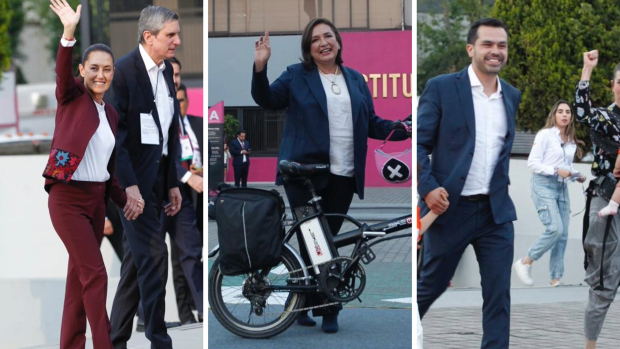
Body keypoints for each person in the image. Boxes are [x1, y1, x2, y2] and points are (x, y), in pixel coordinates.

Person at [251, 18, 409, 333]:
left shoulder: (355, 79)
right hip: (304, 175)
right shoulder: (297, 76)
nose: (323, 42)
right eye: (315, 39)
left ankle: (302, 301)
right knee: (316, 241)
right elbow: (266, 100)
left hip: (344, 176)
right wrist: (260, 66)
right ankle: (327, 307)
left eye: (328, 36)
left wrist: (401, 128)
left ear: (338, 41)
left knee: (328, 241)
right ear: (308, 48)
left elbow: (372, 121)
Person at [417, 18, 521, 348]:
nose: (495, 51)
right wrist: (428, 187)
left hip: (496, 214)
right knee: (429, 287)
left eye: (501, 45)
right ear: (470, 48)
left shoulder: (512, 96)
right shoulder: (443, 87)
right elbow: (418, 144)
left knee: (498, 297)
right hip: (450, 210)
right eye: (488, 44)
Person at [43, 1, 135, 348]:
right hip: (67, 199)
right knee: (96, 274)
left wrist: (125, 200)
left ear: (113, 73)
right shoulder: (72, 97)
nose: (101, 75)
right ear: (83, 70)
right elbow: (62, 75)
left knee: (78, 281)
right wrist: (68, 33)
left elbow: (106, 172)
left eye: (108, 69)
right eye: (94, 68)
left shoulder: (110, 114)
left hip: (97, 201)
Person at [106, 5, 182, 348]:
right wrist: (130, 186)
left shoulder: (166, 72)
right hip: (131, 185)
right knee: (154, 257)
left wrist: (172, 182)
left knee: (136, 268)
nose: (177, 41)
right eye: (171, 35)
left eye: (177, 34)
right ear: (148, 36)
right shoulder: (121, 73)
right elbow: (115, 137)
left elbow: (169, 132)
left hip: (156, 182)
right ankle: (159, 339)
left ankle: (114, 340)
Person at [574, 49, 620, 349]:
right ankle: (589, 346)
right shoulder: (605, 117)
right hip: (606, 202)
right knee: (603, 281)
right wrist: (586, 71)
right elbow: (580, 114)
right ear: (614, 84)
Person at [513, 100, 586, 287]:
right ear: (554, 115)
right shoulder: (545, 135)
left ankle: (556, 279)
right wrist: (555, 170)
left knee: (563, 235)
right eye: (560, 111)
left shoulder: (570, 139)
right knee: (555, 228)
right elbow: (533, 163)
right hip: (543, 185)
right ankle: (525, 261)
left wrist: (576, 175)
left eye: (568, 112)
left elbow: (566, 166)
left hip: (562, 188)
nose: (564, 115)